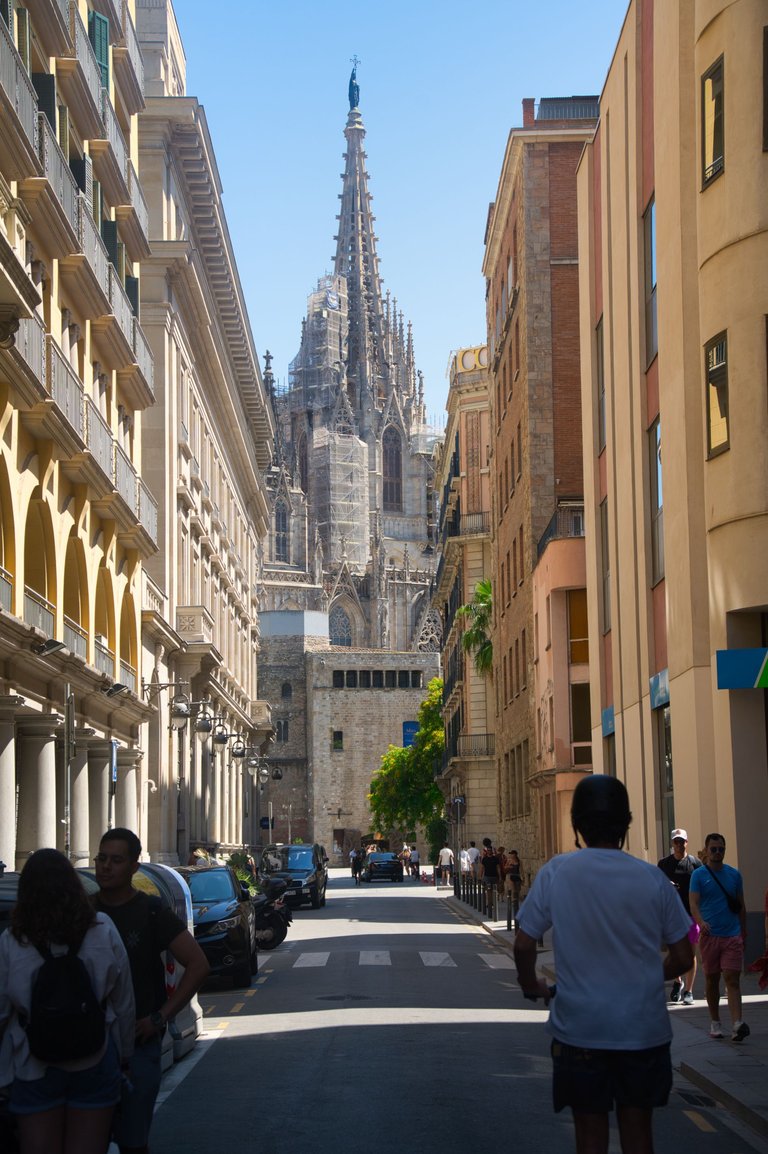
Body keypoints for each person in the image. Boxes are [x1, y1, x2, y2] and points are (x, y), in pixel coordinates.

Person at [514, 775, 692, 1154]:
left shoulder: (556, 872)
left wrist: (531, 984)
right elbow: (683, 955)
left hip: (580, 1030)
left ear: (577, 825)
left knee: (590, 1136)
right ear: (625, 825)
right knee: (639, 1134)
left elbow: (525, 941)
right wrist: (647, 975)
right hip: (643, 1031)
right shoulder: (652, 879)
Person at [0, 848, 135, 1154]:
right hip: (95, 1057)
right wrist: (126, 1057)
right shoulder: (102, 928)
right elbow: (124, 1001)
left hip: (32, 1062)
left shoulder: (11, 940)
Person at [94, 828, 210, 1154]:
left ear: (133, 866)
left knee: (133, 1141)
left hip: (137, 1044)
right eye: (102, 858)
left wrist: (160, 1017)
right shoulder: (83, 912)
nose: (106, 867)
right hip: (88, 1050)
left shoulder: (150, 911)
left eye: (116, 860)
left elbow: (198, 964)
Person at [688, 832, 749, 1042]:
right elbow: (693, 903)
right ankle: (715, 1022)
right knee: (712, 979)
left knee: (732, 979)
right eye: (713, 849)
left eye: (720, 849)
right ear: (706, 851)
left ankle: (737, 1024)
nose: (717, 852)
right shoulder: (698, 875)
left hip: (732, 934)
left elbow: (741, 905)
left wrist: (744, 930)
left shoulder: (734, 875)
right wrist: (700, 922)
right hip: (710, 936)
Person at [657, 828, 701, 1004]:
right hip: (671, 916)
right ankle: (678, 981)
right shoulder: (664, 864)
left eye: (682, 841)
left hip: (691, 914)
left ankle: (689, 991)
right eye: (676, 841)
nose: (679, 845)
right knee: (674, 952)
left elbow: (702, 887)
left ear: (686, 842)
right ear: (671, 843)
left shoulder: (695, 864)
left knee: (690, 954)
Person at [505, 849, 523, 924]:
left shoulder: (519, 861)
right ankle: (513, 901)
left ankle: (516, 900)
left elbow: (521, 869)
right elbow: (505, 867)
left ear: (515, 854)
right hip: (511, 876)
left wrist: (523, 877)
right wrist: (509, 867)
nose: (511, 855)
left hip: (517, 876)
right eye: (510, 854)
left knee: (518, 889)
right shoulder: (509, 861)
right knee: (513, 890)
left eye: (512, 854)